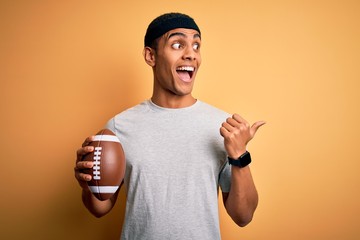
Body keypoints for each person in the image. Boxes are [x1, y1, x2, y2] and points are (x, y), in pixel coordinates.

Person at [74, 12, 265, 240]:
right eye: (177, 44)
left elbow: (243, 216)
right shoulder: (118, 128)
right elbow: (99, 209)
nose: (191, 54)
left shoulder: (222, 127)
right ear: (150, 56)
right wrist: (88, 183)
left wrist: (240, 155)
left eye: (196, 46)